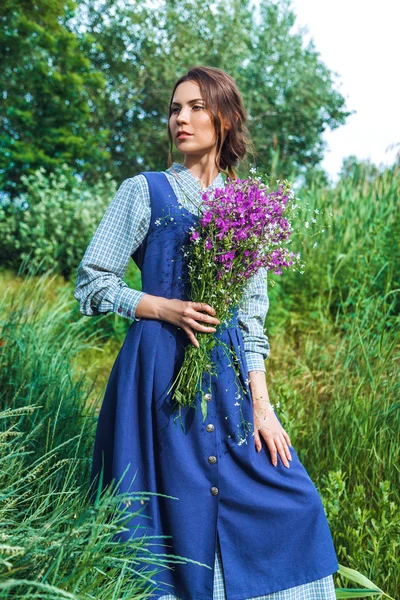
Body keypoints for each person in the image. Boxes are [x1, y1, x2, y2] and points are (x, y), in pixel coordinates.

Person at [74, 66, 339, 600]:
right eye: (175, 109)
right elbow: (91, 282)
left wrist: (264, 408)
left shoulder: (251, 210)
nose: (181, 118)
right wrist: (163, 308)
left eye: (196, 107)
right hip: (156, 377)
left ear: (225, 118)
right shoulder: (143, 191)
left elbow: (251, 319)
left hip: (228, 382)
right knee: (168, 509)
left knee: (295, 501)